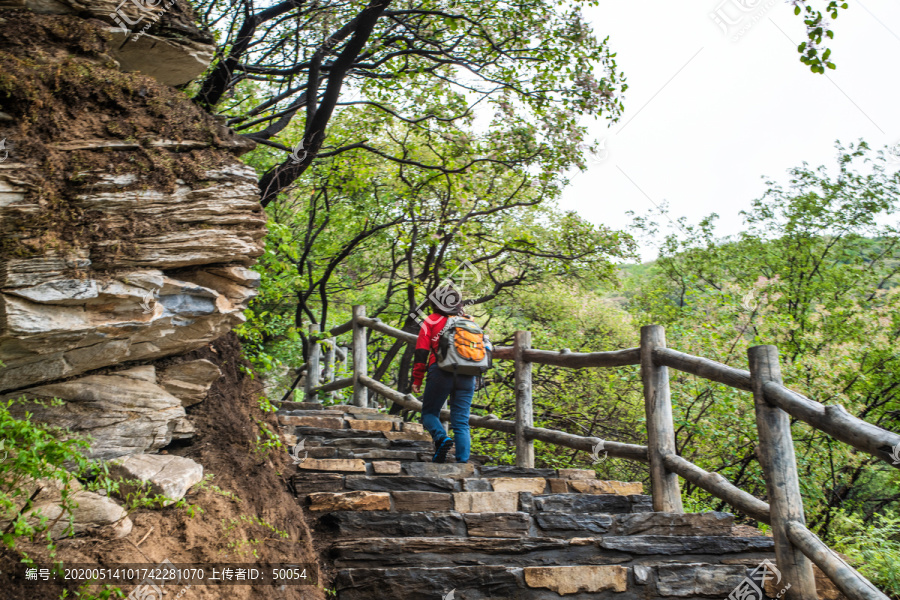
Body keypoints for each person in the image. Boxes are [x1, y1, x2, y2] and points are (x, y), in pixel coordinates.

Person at [411, 298, 476, 464]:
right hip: (468, 373)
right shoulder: (468, 320)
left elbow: (421, 351)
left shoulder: (431, 321)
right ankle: (462, 462)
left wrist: (417, 378)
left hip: (441, 371)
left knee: (429, 413)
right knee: (461, 421)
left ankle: (441, 438)